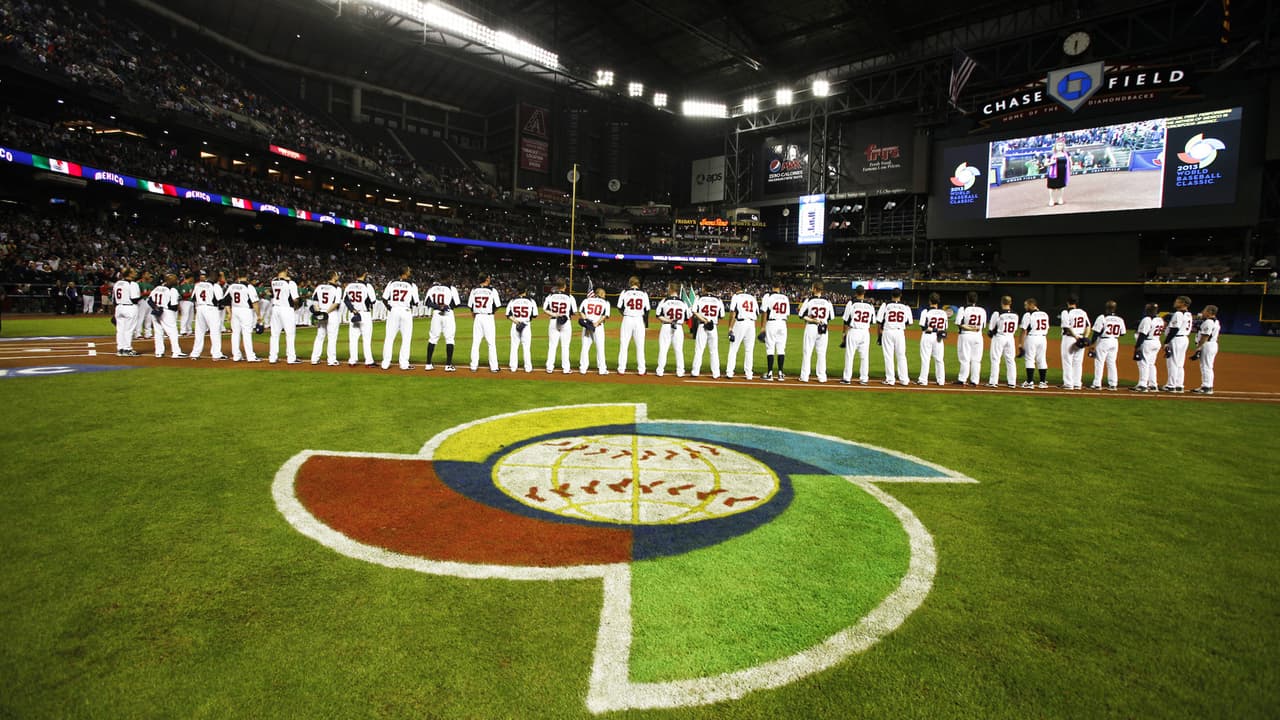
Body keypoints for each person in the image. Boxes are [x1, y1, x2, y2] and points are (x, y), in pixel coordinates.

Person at [380, 266, 419, 371]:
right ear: (406, 273)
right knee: (406, 339)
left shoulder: (392, 282)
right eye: (409, 270)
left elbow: (384, 298)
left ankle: (385, 363)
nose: (410, 271)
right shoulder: (411, 284)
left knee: (389, 338)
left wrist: (390, 308)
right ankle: (404, 364)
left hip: (394, 311)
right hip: (405, 311)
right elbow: (416, 302)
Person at [797, 282, 834, 383]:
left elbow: (801, 315)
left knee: (807, 352)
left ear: (814, 289)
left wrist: (813, 319)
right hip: (823, 328)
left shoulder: (809, 300)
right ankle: (822, 377)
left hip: (811, 327)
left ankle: (805, 377)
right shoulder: (828, 301)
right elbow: (831, 317)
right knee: (821, 353)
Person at [424, 276, 462, 371]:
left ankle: (428, 364)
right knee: (449, 339)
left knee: (433, 338)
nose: (450, 280)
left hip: (436, 314)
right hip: (448, 314)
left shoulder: (433, 288)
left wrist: (438, 306)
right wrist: (445, 307)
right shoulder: (451, 288)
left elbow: (427, 302)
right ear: (447, 279)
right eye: (449, 279)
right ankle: (448, 365)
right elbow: (456, 303)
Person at [876, 288, 913, 386]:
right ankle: (904, 380)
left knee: (888, 356)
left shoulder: (886, 305)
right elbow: (910, 323)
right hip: (899, 332)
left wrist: (879, 334)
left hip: (888, 331)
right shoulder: (905, 306)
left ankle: (890, 379)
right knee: (901, 356)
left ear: (891, 295)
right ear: (900, 295)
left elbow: (879, 321)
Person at [839, 285, 875, 385]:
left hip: (853, 331)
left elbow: (846, 321)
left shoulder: (852, 303)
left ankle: (847, 378)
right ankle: (864, 379)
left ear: (856, 293)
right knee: (864, 356)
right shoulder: (870, 305)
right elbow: (872, 321)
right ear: (864, 293)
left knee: (850, 355)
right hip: (865, 332)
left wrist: (844, 334)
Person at [1088, 301, 1126, 390]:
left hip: (1104, 341)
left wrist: (1092, 343)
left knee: (1099, 362)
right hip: (1114, 342)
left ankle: (1097, 384)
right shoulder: (1120, 319)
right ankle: (1113, 384)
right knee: (1112, 363)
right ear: (1115, 308)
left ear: (1106, 308)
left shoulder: (1102, 318)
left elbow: (1096, 332)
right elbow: (1122, 333)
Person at [616, 276, 651, 375]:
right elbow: (647, 310)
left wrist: (625, 314)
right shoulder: (643, 293)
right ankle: (641, 369)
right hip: (639, 319)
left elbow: (619, 307)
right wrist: (646, 323)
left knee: (624, 345)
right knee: (640, 346)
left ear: (630, 283)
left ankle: (621, 368)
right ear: (638, 283)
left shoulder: (625, 292)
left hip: (627, 319)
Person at [654, 282, 690, 377]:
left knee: (663, 349)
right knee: (678, 350)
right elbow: (687, 317)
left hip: (666, 326)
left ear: (671, 289)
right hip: (678, 327)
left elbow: (658, 315)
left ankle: (660, 371)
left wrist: (669, 320)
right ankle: (680, 371)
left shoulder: (664, 301)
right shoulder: (683, 302)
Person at [543, 278, 578, 374]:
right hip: (565, 322)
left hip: (553, 321)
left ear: (557, 286)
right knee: (565, 346)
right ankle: (566, 369)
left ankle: (549, 367)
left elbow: (544, 309)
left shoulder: (551, 296)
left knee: (552, 345)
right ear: (565, 286)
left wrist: (554, 314)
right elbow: (574, 312)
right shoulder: (569, 297)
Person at [224, 271, 261, 362]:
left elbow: (226, 300)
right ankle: (250, 356)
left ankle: (236, 356)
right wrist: (259, 315)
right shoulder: (249, 287)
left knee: (235, 333)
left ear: (238, 276)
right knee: (247, 333)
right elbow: (255, 303)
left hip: (235, 310)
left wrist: (229, 313)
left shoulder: (232, 286)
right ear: (246, 276)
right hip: (245, 311)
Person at [467, 274, 501, 373]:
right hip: (488, 317)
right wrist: (491, 311)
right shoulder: (492, 290)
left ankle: (473, 366)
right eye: (489, 278)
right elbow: (498, 305)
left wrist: (475, 316)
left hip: (478, 317)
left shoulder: (474, 290)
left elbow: (471, 306)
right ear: (486, 279)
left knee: (476, 342)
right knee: (491, 343)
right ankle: (494, 367)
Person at [343, 271, 378, 368]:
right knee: (366, 339)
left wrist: (353, 310)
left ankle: (352, 360)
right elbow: (373, 300)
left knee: (353, 339)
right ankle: (369, 361)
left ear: (355, 275)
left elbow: (346, 300)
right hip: (364, 314)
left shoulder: (349, 286)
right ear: (364, 274)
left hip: (353, 314)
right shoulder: (367, 286)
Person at [189, 270, 226, 361]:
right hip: (211, 309)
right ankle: (216, 354)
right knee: (215, 331)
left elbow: (193, 298)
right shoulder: (215, 286)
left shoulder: (198, 285)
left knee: (199, 331)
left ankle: (195, 353)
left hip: (200, 308)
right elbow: (220, 301)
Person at [724, 284, 759, 380]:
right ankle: (749, 374)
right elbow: (757, 313)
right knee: (749, 350)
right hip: (751, 324)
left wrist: (730, 328)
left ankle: (730, 372)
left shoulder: (736, 297)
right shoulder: (752, 297)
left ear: (736, 289)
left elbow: (733, 312)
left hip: (740, 323)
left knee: (733, 348)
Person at [690, 286, 725, 379]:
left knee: (699, 350)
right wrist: (711, 320)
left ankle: (695, 372)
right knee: (714, 351)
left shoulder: (700, 298)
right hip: (713, 326)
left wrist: (705, 320)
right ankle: (716, 373)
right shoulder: (718, 300)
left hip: (702, 325)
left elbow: (694, 311)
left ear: (705, 290)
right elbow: (722, 316)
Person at [148, 274, 185, 358]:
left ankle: (159, 352)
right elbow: (173, 306)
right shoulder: (172, 290)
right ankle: (176, 352)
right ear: (169, 280)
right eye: (175, 279)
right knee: (173, 332)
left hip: (156, 312)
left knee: (158, 332)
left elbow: (149, 300)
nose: (177, 281)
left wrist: (156, 307)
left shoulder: (157, 288)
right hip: (167, 312)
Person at [268, 268, 301, 364]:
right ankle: (291, 358)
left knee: (274, 334)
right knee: (290, 334)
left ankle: (272, 357)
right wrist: (297, 305)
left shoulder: (273, 281)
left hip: (275, 308)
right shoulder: (291, 283)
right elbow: (295, 299)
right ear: (286, 270)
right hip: (286, 309)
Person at [986, 296, 1019, 388]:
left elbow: (991, 328)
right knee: (1010, 360)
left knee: (995, 359)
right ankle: (1012, 382)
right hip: (1010, 337)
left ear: (1001, 302)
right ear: (1010, 302)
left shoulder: (998, 313)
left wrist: (991, 333)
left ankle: (993, 382)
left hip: (999, 337)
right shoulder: (1015, 314)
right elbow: (1015, 328)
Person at [310, 272, 343, 366]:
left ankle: (314, 359)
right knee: (332, 337)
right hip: (331, 313)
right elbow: (336, 303)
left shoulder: (319, 287)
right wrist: (326, 312)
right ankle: (331, 360)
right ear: (333, 277)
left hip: (321, 312)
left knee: (319, 336)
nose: (338, 276)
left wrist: (318, 312)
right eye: (336, 274)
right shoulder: (337, 288)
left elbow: (315, 301)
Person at [954, 292, 987, 386]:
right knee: (976, 360)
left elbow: (959, 323)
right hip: (978, 336)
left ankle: (962, 379)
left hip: (966, 335)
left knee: (965, 358)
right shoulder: (982, 310)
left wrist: (969, 327)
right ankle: (974, 381)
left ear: (967, 299)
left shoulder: (963, 309)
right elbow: (982, 326)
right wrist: (974, 328)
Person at [760, 281, 791, 381]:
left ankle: (770, 374)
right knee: (781, 349)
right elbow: (787, 314)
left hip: (772, 323)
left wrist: (762, 327)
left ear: (772, 286)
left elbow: (764, 312)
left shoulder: (768, 296)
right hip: (782, 323)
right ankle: (781, 374)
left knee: (770, 348)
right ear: (780, 287)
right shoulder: (785, 297)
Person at [1161, 295, 1193, 393]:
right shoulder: (1188, 314)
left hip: (1176, 339)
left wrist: (1166, 342)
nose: (1175, 303)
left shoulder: (1178, 314)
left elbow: (1175, 329)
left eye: (1177, 301)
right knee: (1179, 363)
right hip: (1184, 339)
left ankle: (1171, 385)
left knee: (1172, 363)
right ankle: (1179, 385)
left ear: (1183, 303)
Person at [505, 285, 539, 373]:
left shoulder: (513, 300)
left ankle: (513, 367)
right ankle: (528, 368)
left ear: (517, 290)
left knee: (514, 346)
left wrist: (516, 321)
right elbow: (534, 315)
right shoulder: (531, 301)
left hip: (515, 324)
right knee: (526, 347)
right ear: (526, 290)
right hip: (526, 325)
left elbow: (508, 315)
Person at [1059, 294, 1090, 390]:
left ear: (1067, 302)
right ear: (1076, 302)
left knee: (1067, 361)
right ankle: (1077, 383)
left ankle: (1068, 384)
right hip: (1080, 337)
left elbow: (1067, 327)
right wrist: (1084, 338)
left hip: (1070, 338)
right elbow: (1088, 326)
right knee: (1078, 362)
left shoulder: (1065, 312)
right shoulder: (1082, 312)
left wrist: (1075, 337)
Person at [1131, 303, 1164, 392]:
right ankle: (1153, 385)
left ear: (1148, 310)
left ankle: (1143, 385)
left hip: (1147, 342)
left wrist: (1137, 346)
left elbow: (1143, 334)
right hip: (1156, 341)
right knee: (1151, 364)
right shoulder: (1160, 319)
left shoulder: (1147, 319)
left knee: (1143, 364)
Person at [577, 286, 610, 375]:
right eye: (604, 294)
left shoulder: (586, 300)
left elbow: (581, 312)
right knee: (600, 348)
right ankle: (602, 369)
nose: (605, 296)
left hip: (587, 326)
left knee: (585, 347)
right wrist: (596, 323)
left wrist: (587, 322)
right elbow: (604, 316)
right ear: (601, 294)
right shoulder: (605, 303)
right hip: (598, 327)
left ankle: (583, 368)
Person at [917, 293, 948, 386]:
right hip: (938, 337)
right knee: (939, 359)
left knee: (925, 358)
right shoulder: (943, 313)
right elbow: (945, 328)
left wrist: (933, 329)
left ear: (929, 301)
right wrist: (938, 330)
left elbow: (923, 327)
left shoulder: (926, 311)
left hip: (928, 336)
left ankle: (923, 380)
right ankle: (941, 380)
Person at [1019, 297, 1050, 388]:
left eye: (1026, 305)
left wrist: (1020, 344)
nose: (1025, 307)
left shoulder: (1028, 315)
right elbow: (1047, 328)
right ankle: (1042, 382)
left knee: (1029, 359)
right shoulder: (1044, 314)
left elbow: (1023, 330)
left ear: (1031, 305)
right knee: (1041, 359)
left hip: (1032, 337)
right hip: (1043, 338)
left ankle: (1030, 382)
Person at [1191, 305, 1220, 395]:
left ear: (1210, 312)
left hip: (1207, 345)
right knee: (1207, 366)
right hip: (1212, 344)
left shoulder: (1208, 322)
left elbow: (1205, 336)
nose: (1203, 312)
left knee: (1206, 366)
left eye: (1205, 310)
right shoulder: (1216, 321)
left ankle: (1206, 387)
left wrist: (1199, 348)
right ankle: (1207, 386)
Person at [111, 269, 141, 356]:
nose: (135, 273)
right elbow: (134, 299)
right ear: (129, 274)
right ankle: (127, 349)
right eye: (133, 272)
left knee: (120, 330)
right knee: (129, 329)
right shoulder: (133, 284)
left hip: (119, 307)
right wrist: (143, 295)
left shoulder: (117, 283)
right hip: (130, 307)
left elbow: (114, 299)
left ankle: (120, 349)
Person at [1045, 138, 1070, 206]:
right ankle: (1051, 199)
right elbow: (1045, 164)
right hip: (1052, 173)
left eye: (1061, 145)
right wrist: (1051, 162)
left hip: (1062, 172)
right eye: (1058, 145)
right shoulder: (1050, 154)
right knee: (1051, 187)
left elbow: (1069, 162)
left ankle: (1060, 199)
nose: (1060, 146)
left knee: (1061, 186)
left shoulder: (1066, 154)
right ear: (1055, 146)